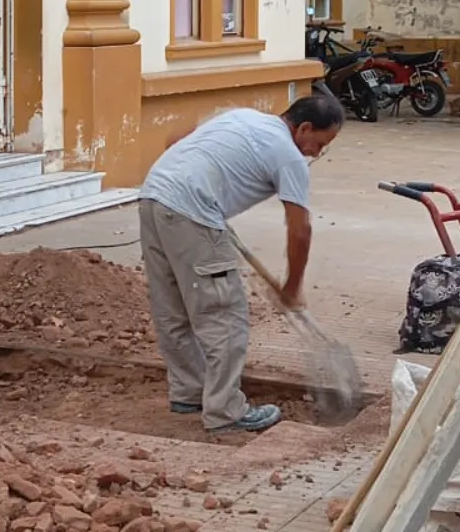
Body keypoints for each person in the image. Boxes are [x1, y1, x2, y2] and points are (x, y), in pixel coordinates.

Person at [138, 95, 343, 434]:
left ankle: (188, 392)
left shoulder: (242, 117)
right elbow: (300, 229)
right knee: (225, 317)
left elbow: (176, 141)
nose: (316, 153)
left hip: (153, 197)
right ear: (304, 127)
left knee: (172, 309)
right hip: (193, 209)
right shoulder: (289, 156)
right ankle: (226, 412)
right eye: (319, 143)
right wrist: (292, 288)